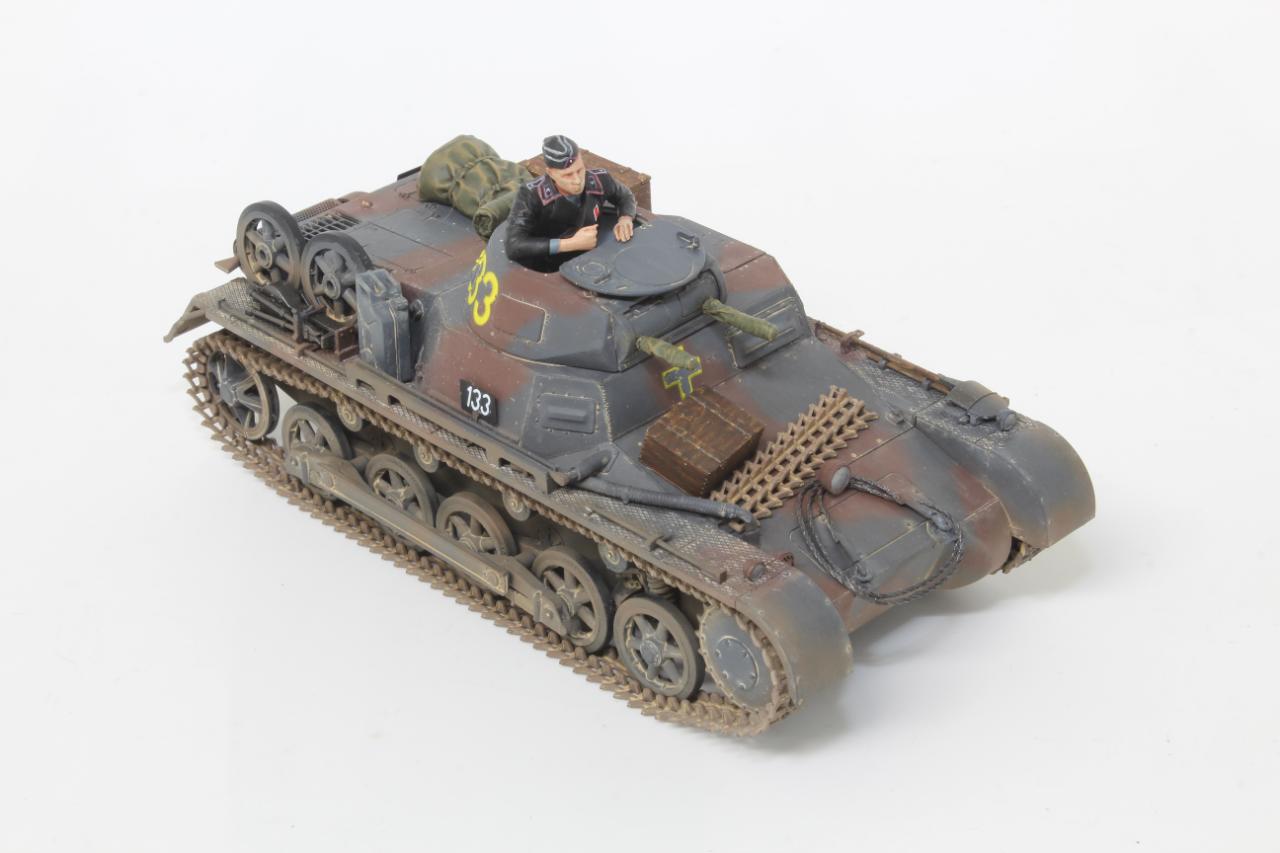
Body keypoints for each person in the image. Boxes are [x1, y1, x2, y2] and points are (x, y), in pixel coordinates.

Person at [505, 135, 637, 270]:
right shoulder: (531, 194)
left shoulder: (599, 179)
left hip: (593, 258)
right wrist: (570, 244)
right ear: (551, 173)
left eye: (579, 170)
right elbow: (513, 245)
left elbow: (624, 195)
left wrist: (625, 218)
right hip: (550, 264)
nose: (577, 180)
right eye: (567, 175)